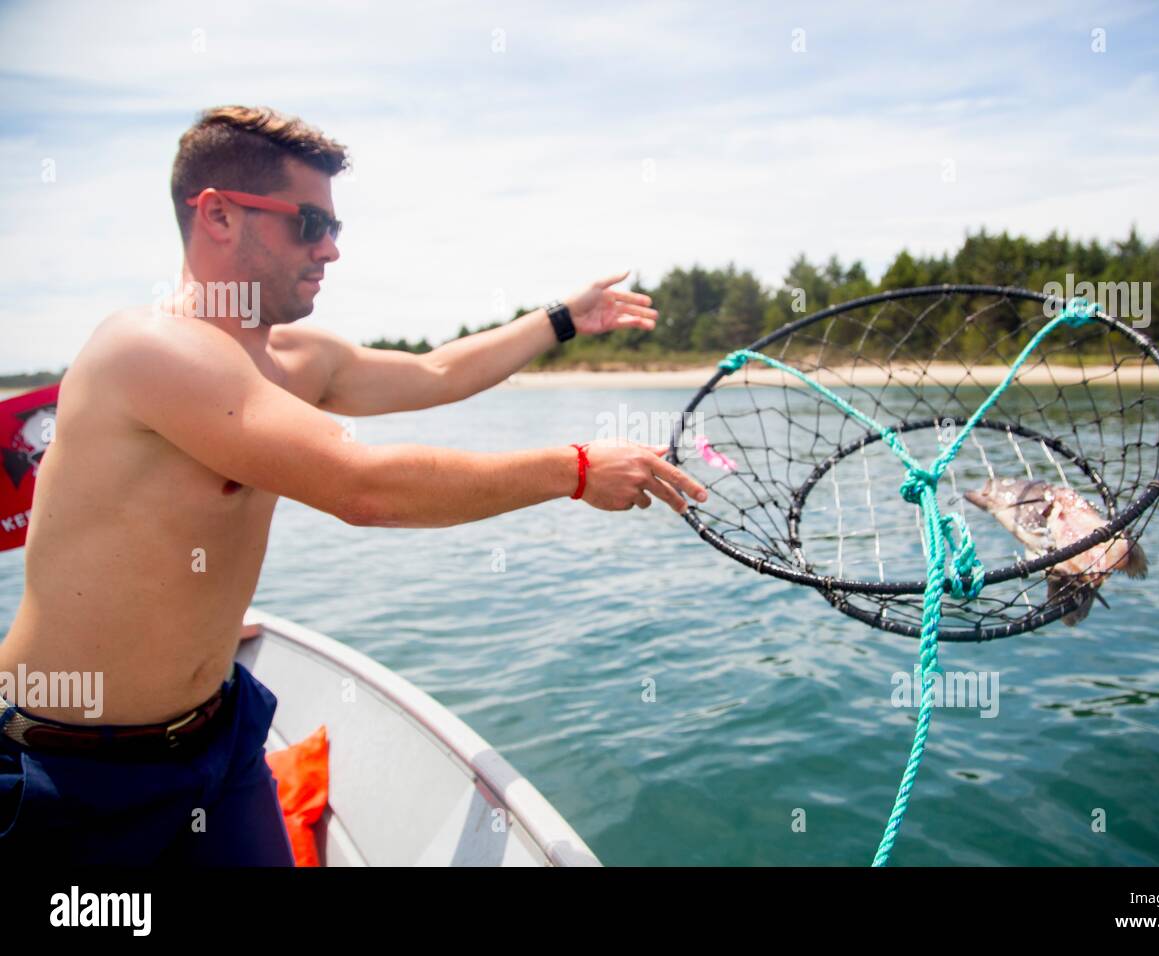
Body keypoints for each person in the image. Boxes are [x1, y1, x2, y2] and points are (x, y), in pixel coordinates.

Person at [0, 105, 707, 864]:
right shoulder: (147, 350)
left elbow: (437, 371)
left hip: (219, 739)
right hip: (73, 772)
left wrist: (564, 318)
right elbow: (361, 488)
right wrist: (572, 471)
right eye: (309, 223)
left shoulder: (296, 358)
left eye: (335, 227)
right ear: (218, 215)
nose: (331, 249)